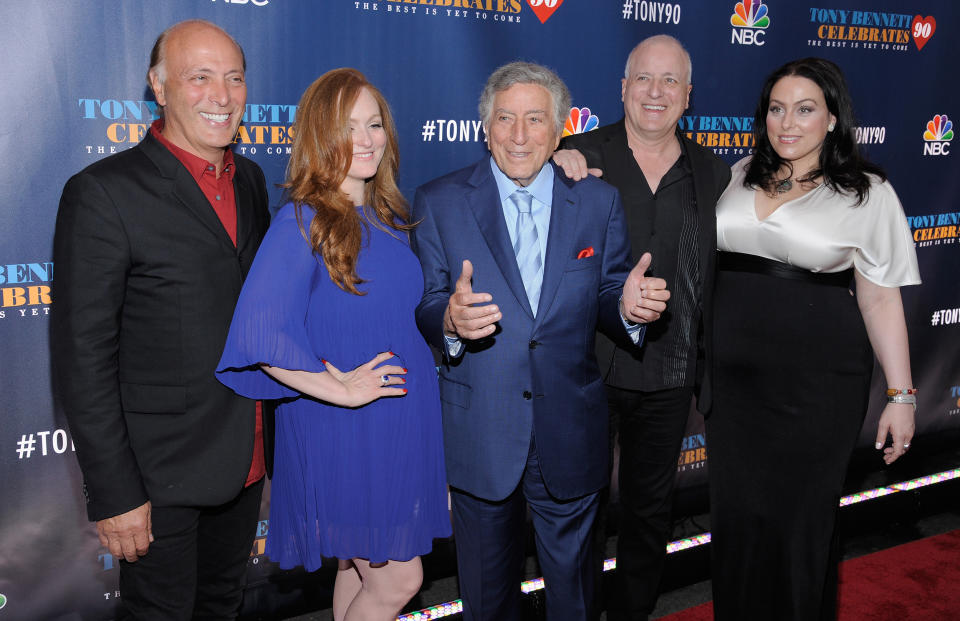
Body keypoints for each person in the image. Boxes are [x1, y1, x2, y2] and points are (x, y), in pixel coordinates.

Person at [411, 61, 671, 621]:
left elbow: (606, 288)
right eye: (505, 119)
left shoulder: (597, 202)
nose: (520, 135)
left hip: (571, 429)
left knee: (574, 599)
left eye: (535, 120)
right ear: (486, 128)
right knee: (487, 600)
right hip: (481, 432)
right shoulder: (439, 200)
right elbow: (430, 302)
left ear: (560, 131)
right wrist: (450, 320)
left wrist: (625, 307)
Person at [51, 20, 270, 619]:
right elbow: (83, 356)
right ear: (159, 86)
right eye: (199, 77)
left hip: (245, 460)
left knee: (222, 606)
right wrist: (116, 493)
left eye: (233, 78)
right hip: (155, 479)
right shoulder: (103, 193)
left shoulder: (249, 180)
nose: (221, 96)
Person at [216, 68, 451, 621]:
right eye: (349, 127)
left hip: (395, 423)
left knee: (355, 568)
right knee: (399, 581)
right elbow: (259, 333)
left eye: (374, 124)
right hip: (345, 427)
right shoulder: (303, 219)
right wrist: (339, 390)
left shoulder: (388, 217)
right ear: (322, 136)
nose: (366, 139)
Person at [708, 57, 919, 620]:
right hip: (731, 390)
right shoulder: (738, 172)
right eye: (777, 109)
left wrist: (901, 396)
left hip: (817, 385)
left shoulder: (866, 193)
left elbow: (879, 298)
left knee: (800, 523)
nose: (788, 122)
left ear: (832, 118)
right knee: (738, 521)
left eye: (805, 109)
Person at [553, 35, 731, 620]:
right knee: (579, 506)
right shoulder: (576, 156)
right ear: (623, 88)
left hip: (672, 371)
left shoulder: (712, 173)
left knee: (650, 511)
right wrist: (549, 166)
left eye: (671, 81)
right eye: (644, 79)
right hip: (587, 366)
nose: (656, 93)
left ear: (688, 96)